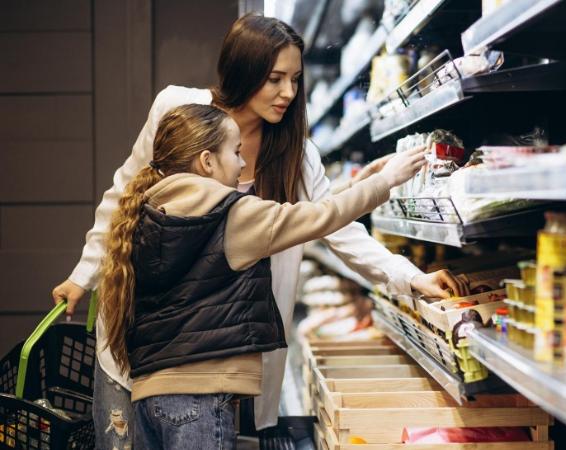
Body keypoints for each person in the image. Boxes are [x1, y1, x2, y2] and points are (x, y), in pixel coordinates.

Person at [50, 14, 468, 449]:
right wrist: (85, 275)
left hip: (219, 355)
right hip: (139, 342)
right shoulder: (177, 110)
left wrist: (411, 277)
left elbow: (338, 230)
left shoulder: (294, 154)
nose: (288, 93)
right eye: (274, 79)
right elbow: (124, 195)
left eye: (295, 80)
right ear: (244, 71)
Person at [96, 103, 425, 449]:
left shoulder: (144, 214)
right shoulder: (233, 215)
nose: (242, 164)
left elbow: (304, 212)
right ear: (207, 161)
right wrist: (386, 181)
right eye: (235, 152)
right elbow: (320, 218)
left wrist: (360, 183)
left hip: (149, 399)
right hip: (201, 402)